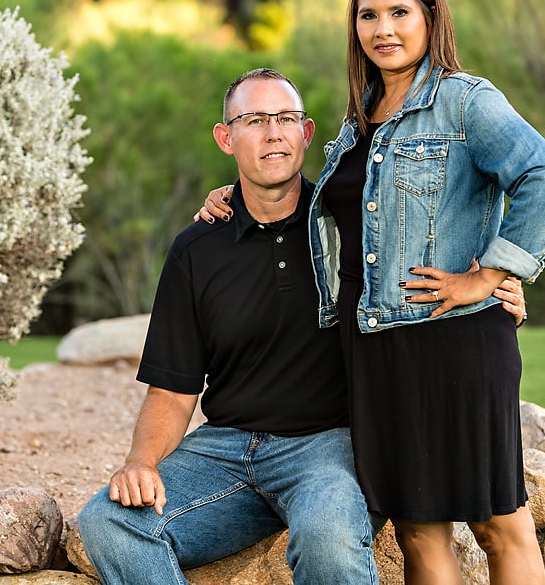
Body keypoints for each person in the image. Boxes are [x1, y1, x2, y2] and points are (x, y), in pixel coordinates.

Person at [199, 0, 545, 585]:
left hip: (452, 340)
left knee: (498, 521)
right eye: (368, 15)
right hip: (372, 351)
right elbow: (338, 216)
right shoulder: (356, 121)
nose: (383, 29)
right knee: (418, 525)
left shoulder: (463, 102)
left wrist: (492, 274)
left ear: (431, 18)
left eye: (400, 12)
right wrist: (233, 196)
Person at [77, 68, 380, 585]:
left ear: (306, 134)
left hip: (327, 448)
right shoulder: (197, 249)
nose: (273, 133)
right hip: (225, 452)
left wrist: (494, 281)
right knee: (108, 521)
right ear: (226, 138)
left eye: (285, 118)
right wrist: (141, 463)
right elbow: (172, 391)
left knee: (328, 539)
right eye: (254, 120)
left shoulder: (348, 224)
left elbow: (424, 250)